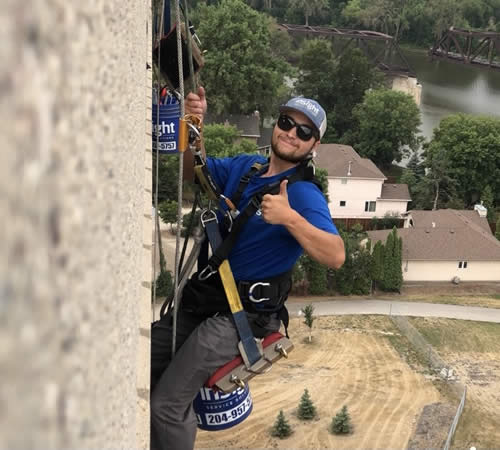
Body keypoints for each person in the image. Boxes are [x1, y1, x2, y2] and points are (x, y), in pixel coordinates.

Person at [150, 87, 345, 450]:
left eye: (304, 131)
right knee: (142, 360)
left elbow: (335, 255)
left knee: (166, 406)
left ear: (313, 145)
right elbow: (193, 172)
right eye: (287, 123)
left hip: (241, 319)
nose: (292, 133)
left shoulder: (303, 194)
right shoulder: (246, 168)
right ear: (276, 125)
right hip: (206, 300)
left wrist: (289, 219)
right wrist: (194, 123)